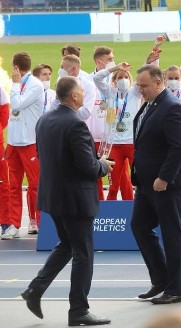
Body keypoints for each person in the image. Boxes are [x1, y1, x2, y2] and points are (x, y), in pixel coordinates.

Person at [20, 77, 113, 326]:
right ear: (73, 96)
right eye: (81, 91)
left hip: (54, 196)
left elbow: (46, 156)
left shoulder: (45, 120)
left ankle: (35, 289)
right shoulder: (76, 124)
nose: (83, 94)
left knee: (67, 245)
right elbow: (86, 166)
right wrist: (102, 165)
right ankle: (78, 309)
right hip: (76, 199)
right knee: (83, 253)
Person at [131, 64, 181, 305]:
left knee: (171, 234)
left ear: (159, 82)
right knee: (139, 226)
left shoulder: (172, 108)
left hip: (165, 184)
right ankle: (161, 278)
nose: (141, 90)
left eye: (144, 86)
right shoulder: (150, 105)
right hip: (146, 183)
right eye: (139, 86)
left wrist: (164, 177)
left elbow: (179, 148)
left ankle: (177, 289)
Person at [4, 53, 43, 239]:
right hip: (14, 143)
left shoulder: (34, 85)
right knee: (14, 186)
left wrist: (14, 84)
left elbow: (17, 105)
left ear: (16, 68)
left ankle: (42, 223)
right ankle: (14, 224)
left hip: (30, 142)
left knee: (35, 185)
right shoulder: (20, 84)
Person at [92, 62, 144, 200]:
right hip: (114, 145)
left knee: (142, 182)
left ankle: (141, 213)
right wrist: (115, 68)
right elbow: (96, 78)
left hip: (132, 143)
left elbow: (146, 75)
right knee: (114, 186)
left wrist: (150, 59)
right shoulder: (109, 93)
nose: (123, 80)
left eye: (126, 77)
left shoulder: (135, 93)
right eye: (120, 77)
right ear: (114, 81)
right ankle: (110, 216)